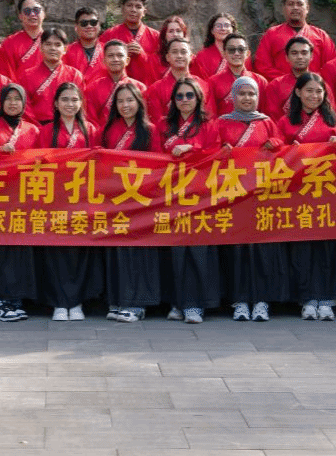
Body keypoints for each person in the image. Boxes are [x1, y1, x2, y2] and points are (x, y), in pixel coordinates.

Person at [278, 72, 336, 321]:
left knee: (328, 247)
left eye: (319, 91)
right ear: (298, 92)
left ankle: (328, 298)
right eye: (309, 91)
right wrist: (288, 150)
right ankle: (307, 298)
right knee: (303, 247)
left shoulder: (334, 120)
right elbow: (275, 154)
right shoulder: (285, 122)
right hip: (299, 194)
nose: (314, 96)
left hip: (329, 193)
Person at [217, 76, 286, 323]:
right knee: (238, 251)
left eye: (252, 94)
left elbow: (281, 144)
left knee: (262, 250)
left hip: (261, 195)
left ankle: (262, 301)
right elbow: (212, 149)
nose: (247, 98)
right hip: (233, 195)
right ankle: (239, 301)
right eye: (242, 93)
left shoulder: (266, 122)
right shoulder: (222, 122)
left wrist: (273, 143)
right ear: (233, 97)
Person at [158, 78, 222, 324]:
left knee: (197, 251)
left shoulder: (209, 125)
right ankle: (176, 302)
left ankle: (196, 304)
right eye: (179, 96)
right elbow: (153, 155)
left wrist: (191, 148)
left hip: (199, 196)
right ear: (173, 101)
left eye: (189, 95)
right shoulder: (163, 125)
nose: (184, 100)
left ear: (198, 98)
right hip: (171, 195)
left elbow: (215, 153)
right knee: (174, 252)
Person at [36, 82, 102, 321]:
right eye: (64, 99)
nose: (70, 104)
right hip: (55, 199)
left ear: (81, 103)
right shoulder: (45, 131)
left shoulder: (91, 129)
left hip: (82, 198)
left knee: (80, 251)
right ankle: (59, 302)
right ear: (55, 103)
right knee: (56, 251)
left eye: (75, 100)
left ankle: (77, 302)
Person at [0, 84, 41, 321]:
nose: (13, 103)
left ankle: (16, 299)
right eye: (9, 98)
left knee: (20, 251)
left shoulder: (33, 130)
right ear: (1, 102)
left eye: (17, 99)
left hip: (23, 199)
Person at [99, 83, 160, 323]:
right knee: (117, 251)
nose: (125, 105)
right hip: (116, 200)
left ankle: (137, 304)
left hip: (141, 201)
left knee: (139, 251)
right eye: (120, 101)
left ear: (139, 103)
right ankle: (118, 299)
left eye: (130, 100)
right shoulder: (108, 130)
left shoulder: (150, 130)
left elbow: (159, 164)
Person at [252, 0, 336, 80]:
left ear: (307, 8)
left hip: (313, 86)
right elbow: (262, 66)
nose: (295, 7)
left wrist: (310, 81)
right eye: (291, 4)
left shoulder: (321, 36)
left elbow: (331, 67)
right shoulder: (271, 34)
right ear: (284, 8)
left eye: (300, 4)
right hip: (281, 87)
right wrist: (287, 81)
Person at [18, 27, 84, 124]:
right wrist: (37, 128)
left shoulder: (74, 75)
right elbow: (25, 106)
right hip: (36, 126)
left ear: (65, 49)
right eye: (48, 44)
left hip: (66, 125)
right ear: (41, 47)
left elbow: (80, 105)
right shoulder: (27, 75)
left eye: (57, 45)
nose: (53, 48)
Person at [98, 0, 161, 85]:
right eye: (129, 5)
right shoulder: (109, 34)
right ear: (122, 9)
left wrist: (143, 55)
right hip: (116, 86)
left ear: (144, 12)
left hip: (147, 86)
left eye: (138, 7)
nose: (133, 10)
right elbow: (100, 62)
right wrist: (121, 54)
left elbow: (162, 66)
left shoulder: (156, 36)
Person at [144, 37, 211, 123]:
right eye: (174, 52)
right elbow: (156, 121)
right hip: (169, 131)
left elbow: (209, 117)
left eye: (183, 52)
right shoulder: (155, 89)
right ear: (167, 57)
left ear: (191, 56)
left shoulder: (203, 85)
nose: (179, 56)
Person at [85, 39, 145, 126]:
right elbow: (91, 121)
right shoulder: (92, 88)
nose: (115, 59)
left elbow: (143, 118)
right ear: (104, 61)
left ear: (127, 61)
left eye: (120, 55)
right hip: (102, 133)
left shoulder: (139, 87)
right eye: (111, 56)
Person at [208, 33, 268, 118]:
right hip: (224, 125)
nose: (236, 53)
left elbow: (265, 114)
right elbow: (211, 115)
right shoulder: (213, 82)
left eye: (241, 49)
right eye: (231, 50)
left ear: (247, 53)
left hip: (254, 125)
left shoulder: (260, 81)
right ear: (224, 54)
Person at [0, 0, 47, 79]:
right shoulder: (9, 43)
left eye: (36, 10)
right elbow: (5, 75)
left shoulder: (53, 42)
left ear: (44, 14)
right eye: (27, 11)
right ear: (20, 16)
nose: (32, 14)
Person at [262, 36, 314, 117]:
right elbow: (271, 118)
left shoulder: (321, 84)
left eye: (304, 53)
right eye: (294, 53)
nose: (300, 57)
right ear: (287, 57)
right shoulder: (275, 85)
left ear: (311, 56)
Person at [190, 12, 238, 81]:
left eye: (227, 25)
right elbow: (198, 82)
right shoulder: (202, 56)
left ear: (233, 29)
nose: (223, 28)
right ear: (212, 30)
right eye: (218, 26)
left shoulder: (241, 53)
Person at [64, 6, 105, 82]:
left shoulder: (108, 50)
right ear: (76, 27)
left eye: (93, 22)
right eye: (84, 23)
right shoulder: (66, 51)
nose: (89, 26)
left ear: (99, 25)